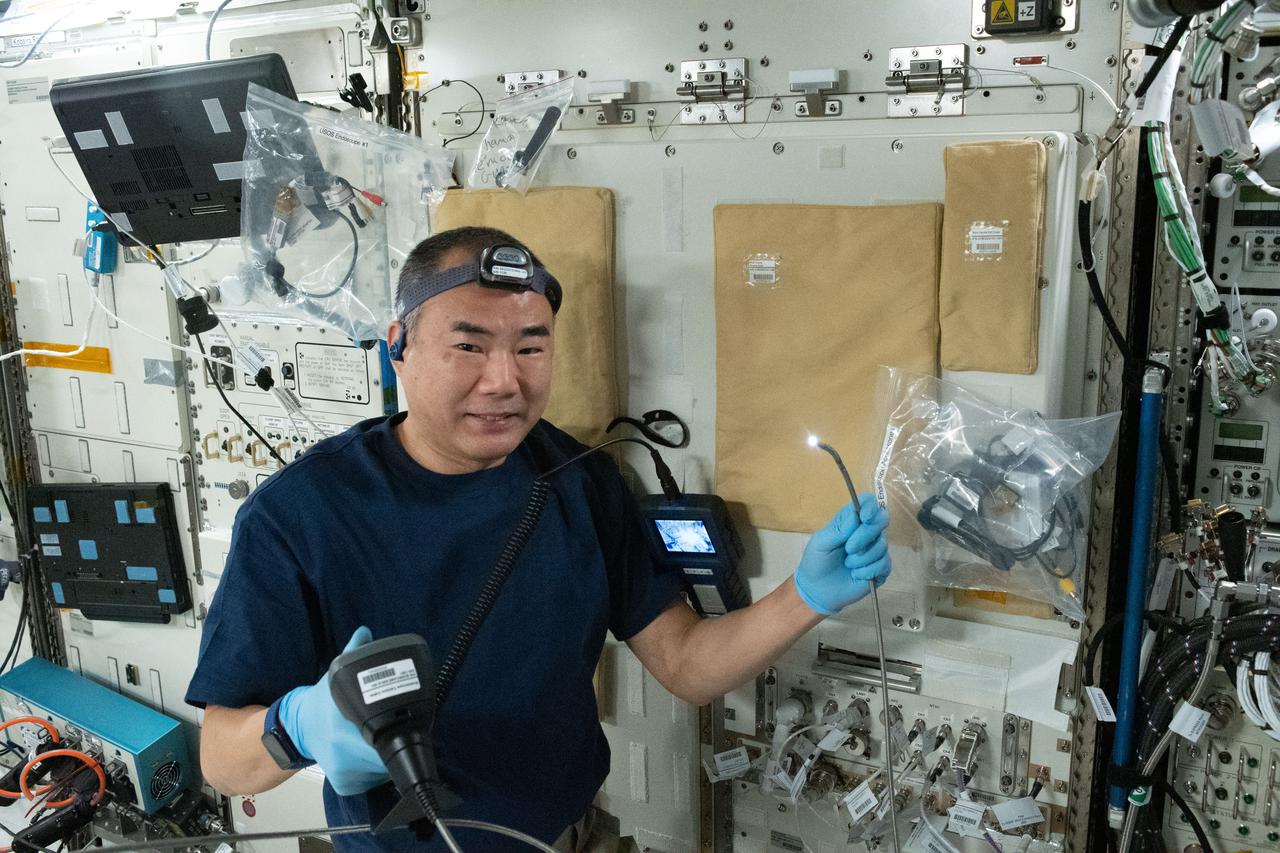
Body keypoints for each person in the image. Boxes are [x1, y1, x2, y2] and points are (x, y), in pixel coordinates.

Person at [185, 226, 891, 852]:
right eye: (469, 345)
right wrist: (297, 725)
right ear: (396, 347)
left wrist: (805, 594)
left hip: (573, 832)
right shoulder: (300, 515)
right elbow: (221, 757)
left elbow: (686, 663)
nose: (505, 380)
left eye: (531, 346)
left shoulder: (580, 482)